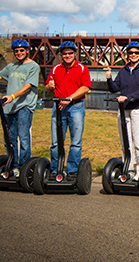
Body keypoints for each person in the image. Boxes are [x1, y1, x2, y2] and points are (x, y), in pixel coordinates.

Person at [0, 39, 40, 177]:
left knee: (23, 137)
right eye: (16, 51)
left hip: (24, 106)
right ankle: (13, 165)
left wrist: (12, 96)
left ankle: (24, 167)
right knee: (9, 138)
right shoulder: (11, 66)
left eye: (21, 50)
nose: (19, 53)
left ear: (27, 51)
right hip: (9, 107)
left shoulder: (33, 66)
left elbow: (28, 87)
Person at [44, 41, 91, 181]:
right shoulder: (55, 69)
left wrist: (69, 98)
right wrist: (50, 86)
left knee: (75, 142)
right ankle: (55, 169)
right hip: (58, 107)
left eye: (70, 53)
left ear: (74, 54)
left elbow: (86, 87)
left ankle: (72, 171)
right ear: (61, 55)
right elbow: (47, 86)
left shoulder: (82, 68)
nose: (67, 55)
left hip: (75, 106)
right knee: (56, 141)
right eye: (64, 53)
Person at [106, 41, 139, 180]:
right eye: (131, 53)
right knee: (126, 142)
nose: (133, 55)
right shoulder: (123, 70)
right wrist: (109, 79)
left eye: (136, 53)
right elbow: (115, 88)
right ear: (127, 54)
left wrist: (128, 97)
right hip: (124, 109)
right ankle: (128, 169)